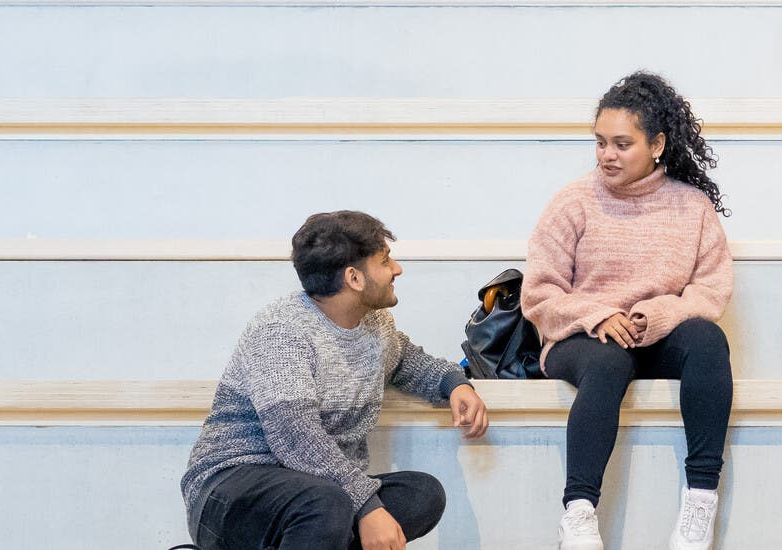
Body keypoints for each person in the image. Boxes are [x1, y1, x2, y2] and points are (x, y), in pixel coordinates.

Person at [180, 210, 490, 550]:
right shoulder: (282, 333)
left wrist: (455, 384)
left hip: (320, 492)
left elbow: (406, 360)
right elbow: (296, 439)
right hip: (229, 490)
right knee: (326, 504)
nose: (397, 269)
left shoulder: (375, 325)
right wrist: (367, 505)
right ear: (354, 278)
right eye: (385, 261)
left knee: (422, 495)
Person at [523, 70, 734, 550]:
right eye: (600, 143)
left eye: (622, 144)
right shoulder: (573, 201)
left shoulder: (692, 207)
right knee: (608, 360)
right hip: (580, 338)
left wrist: (658, 314)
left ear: (657, 144)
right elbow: (539, 295)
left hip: (654, 334)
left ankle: (700, 500)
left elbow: (711, 290)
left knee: (707, 340)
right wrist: (597, 315)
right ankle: (578, 511)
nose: (607, 155)